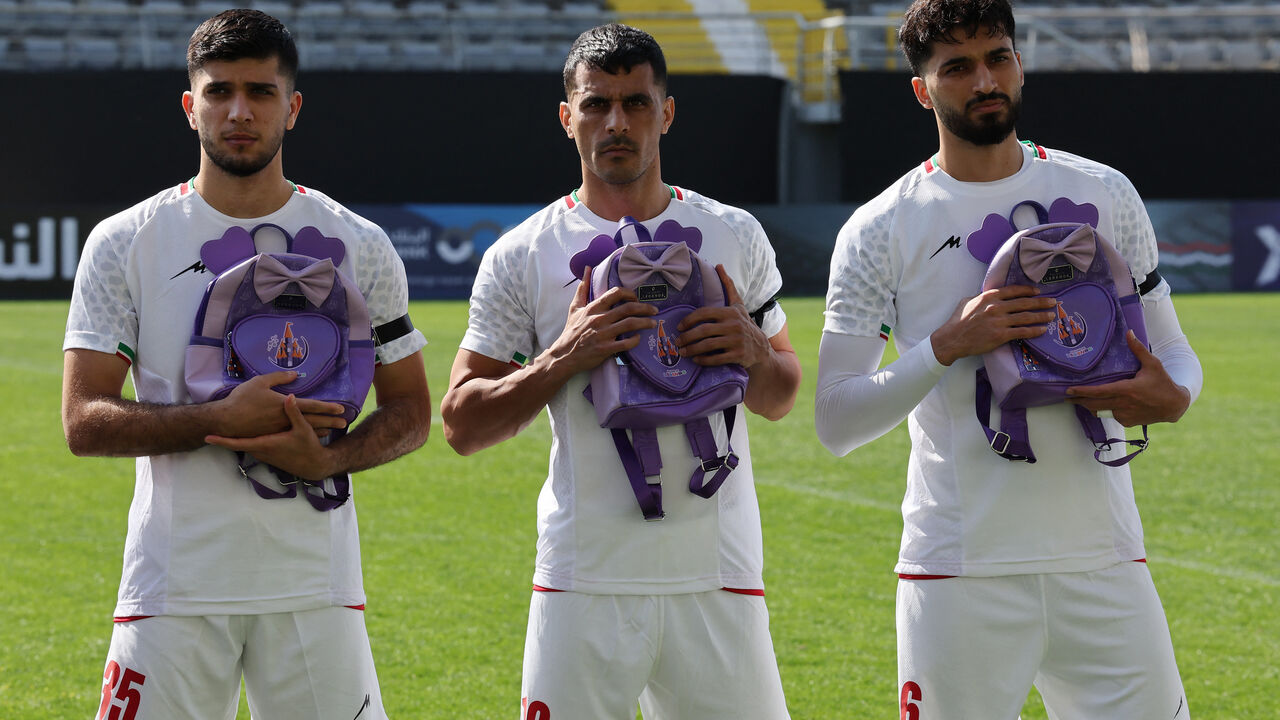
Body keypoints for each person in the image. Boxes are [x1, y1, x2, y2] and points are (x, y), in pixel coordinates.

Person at [815, 1, 1204, 718]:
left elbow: (1175, 353)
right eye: (957, 67)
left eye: (998, 56)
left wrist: (1174, 395)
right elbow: (836, 418)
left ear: (1019, 63)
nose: (984, 79)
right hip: (959, 570)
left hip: (1104, 559)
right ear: (922, 89)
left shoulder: (1103, 192)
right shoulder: (881, 228)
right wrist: (945, 345)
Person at [61, 10, 429, 719]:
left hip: (313, 589)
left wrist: (329, 461)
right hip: (173, 588)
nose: (238, 111)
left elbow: (413, 411)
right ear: (188, 105)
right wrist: (215, 420)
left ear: (291, 108)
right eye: (219, 91)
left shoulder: (359, 242)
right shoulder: (127, 242)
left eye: (260, 92)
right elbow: (84, 420)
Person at [440, 23, 801, 720]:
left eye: (636, 103)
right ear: (566, 116)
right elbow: (460, 423)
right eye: (597, 103)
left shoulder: (735, 234)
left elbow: (782, 396)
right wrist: (562, 359)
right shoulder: (523, 254)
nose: (616, 122)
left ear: (665, 113)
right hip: (584, 576)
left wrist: (754, 352)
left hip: (716, 574)